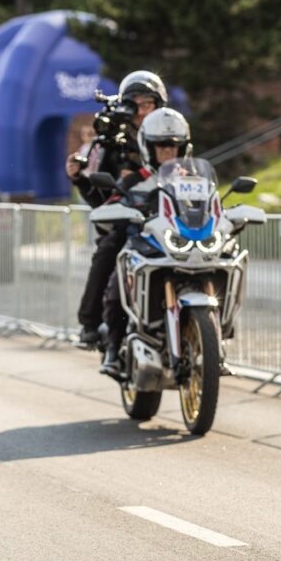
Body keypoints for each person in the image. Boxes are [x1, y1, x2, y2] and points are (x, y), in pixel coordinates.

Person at [67, 70, 167, 347]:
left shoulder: (172, 138)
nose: (142, 111)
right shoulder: (114, 145)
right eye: (135, 104)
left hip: (169, 218)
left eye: (148, 104)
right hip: (131, 220)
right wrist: (79, 178)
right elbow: (99, 199)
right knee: (111, 246)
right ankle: (91, 322)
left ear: (160, 105)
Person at [99, 107, 192, 376]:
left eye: (173, 146)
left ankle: (209, 341)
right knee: (117, 286)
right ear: (148, 148)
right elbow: (112, 204)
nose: (168, 152)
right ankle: (114, 350)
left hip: (182, 247)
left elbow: (210, 207)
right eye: (161, 146)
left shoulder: (192, 181)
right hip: (143, 246)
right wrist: (118, 212)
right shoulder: (134, 181)